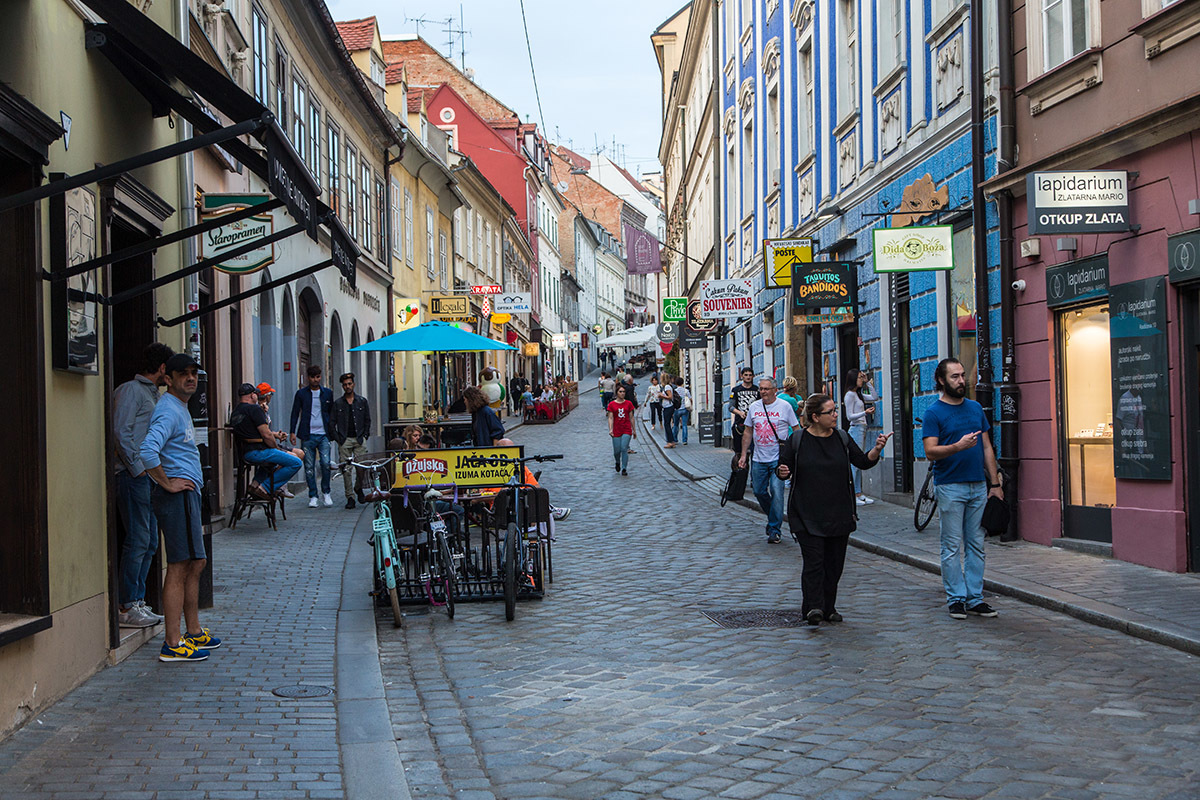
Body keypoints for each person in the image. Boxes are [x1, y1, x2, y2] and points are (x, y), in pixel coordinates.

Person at [777, 393, 892, 625]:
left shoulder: (842, 438)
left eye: (835, 410)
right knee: (814, 563)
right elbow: (783, 467)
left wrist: (877, 449)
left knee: (834, 565)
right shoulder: (797, 440)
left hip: (838, 512)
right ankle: (813, 608)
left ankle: (829, 607)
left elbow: (863, 462)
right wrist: (782, 472)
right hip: (807, 513)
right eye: (830, 412)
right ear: (815, 417)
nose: (835, 415)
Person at [140, 353, 220, 662]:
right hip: (177, 495)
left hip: (189, 493)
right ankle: (172, 643)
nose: (190, 378)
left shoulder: (180, 408)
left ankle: (194, 632)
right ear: (167, 377)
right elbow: (148, 451)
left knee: (195, 563)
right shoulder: (168, 410)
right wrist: (167, 483)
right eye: (183, 373)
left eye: (194, 373)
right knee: (178, 566)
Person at [922, 357, 1003, 620]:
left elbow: (988, 447)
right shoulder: (934, 413)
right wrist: (957, 446)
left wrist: (995, 484)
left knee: (976, 544)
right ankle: (956, 598)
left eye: (962, 375)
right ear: (942, 381)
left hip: (978, 486)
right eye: (955, 376)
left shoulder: (975, 409)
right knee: (951, 546)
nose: (961, 380)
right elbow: (930, 451)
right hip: (950, 486)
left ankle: (975, 598)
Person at [113, 342, 174, 628]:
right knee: (138, 538)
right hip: (132, 476)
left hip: (149, 477)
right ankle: (126, 605)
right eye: (169, 370)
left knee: (149, 541)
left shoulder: (154, 395)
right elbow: (120, 431)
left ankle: (137, 600)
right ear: (162, 368)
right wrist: (137, 470)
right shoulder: (130, 391)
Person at [738, 377, 800, 544]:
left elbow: (796, 429)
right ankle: (773, 517)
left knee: (777, 492)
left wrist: (795, 453)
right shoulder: (754, 407)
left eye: (766, 389)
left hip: (779, 458)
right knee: (758, 491)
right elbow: (748, 432)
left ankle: (774, 529)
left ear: (775, 390)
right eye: (761, 389)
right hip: (758, 458)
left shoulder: (784, 407)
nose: (763, 392)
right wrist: (744, 455)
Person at [230, 383, 302, 501]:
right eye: (256, 394)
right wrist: (276, 448)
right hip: (257, 452)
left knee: (274, 462)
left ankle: (254, 485)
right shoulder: (254, 409)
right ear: (252, 395)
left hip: (245, 453)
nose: (257, 396)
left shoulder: (236, 411)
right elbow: (266, 435)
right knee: (296, 462)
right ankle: (265, 488)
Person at [289, 364, 335, 508]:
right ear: (308, 378)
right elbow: (295, 412)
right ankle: (313, 495)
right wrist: (292, 431)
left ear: (320, 377)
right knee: (309, 466)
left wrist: (333, 431)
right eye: (313, 377)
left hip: (323, 434)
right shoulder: (301, 394)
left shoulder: (327, 393)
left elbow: (332, 412)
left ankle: (326, 492)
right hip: (307, 435)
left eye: (318, 377)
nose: (316, 380)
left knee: (325, 464)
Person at [332, 372, 371, 509]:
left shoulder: (362, 401)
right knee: (346, 470)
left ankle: (358, 488)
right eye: (345, 385)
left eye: (349, 384)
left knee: (362, 468)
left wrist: (365, 435)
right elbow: (332, 423)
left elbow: (367, 420)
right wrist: (338, 439)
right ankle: (350, 497)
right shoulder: (338, 403)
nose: (347, 387)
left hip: (359, 438)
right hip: (345, 439)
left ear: (353, 384)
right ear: (342, 386)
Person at [843, 368, 881, 506]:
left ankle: (859, 492)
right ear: (853, 379)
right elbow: (849, 416)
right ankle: (853, 494)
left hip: (862, 429)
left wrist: (867, 383)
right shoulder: (849, 395)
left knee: (858, 463)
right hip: (856, 428)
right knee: (856, 463)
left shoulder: (858, 394)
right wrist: (864, 412)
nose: (861, 379)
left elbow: (875, 397)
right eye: (859, 378)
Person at [257, 383, 303, 467]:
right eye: (271, 394)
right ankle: (270, 479)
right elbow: (263, 433)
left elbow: (267, 430)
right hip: (266, 446)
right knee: (294, 459)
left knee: (300, 453)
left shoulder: (265, 409)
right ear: (267, 396)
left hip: (271, 443)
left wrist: (276, 434)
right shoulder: (258, 410)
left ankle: (270, 477)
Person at [607, 383, 636, 475]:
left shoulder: (628, 404)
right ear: (617, 393)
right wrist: (610, 429)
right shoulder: (612, 404)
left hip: (626, 429)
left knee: (624, 448)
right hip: (616, 429)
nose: (622, 393)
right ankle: (617, 462)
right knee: (617, 451)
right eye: (620, 392)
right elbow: (610, 418)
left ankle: (624, 468)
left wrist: (634, 429)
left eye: (624, 392)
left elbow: (631, 417)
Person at [728, 367, 761, 445]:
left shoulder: (757, 390)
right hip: (740, 423)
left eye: (750, 375)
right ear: (742, 376)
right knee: (739, 448)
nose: (748, 377)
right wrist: (740, 413)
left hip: (754, 423)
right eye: (746, 375)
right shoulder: (736, 390)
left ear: (753, 376)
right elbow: (730, 407)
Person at [672, 377, 692, 445]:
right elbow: (690, 399)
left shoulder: (674, 391)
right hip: (684, 409)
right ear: (682, 383)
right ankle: (684, 440)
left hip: (677, 410)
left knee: (675, 425)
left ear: (676, 383)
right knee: (684, 425)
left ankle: (675, 439)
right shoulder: (686, 391)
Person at [660, 377, 677, 448]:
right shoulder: (668, 386)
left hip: (668, 407)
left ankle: (670, 441)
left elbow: (670, 397)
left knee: (667, 424)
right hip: (668, 407)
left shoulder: (667, 387)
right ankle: (671, 441)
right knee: (667, 424)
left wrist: (661, 396)